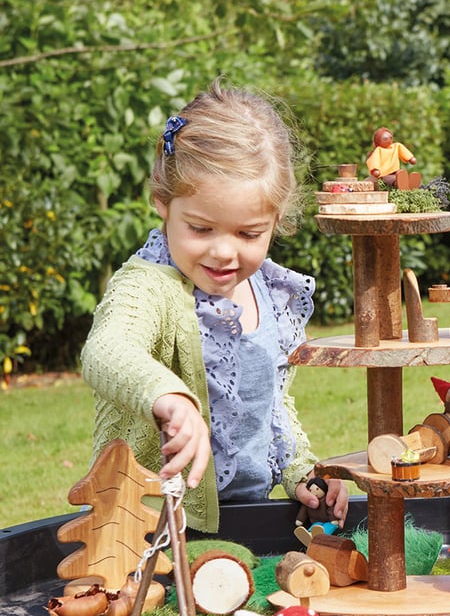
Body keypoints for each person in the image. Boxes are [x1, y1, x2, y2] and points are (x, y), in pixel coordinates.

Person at [81, 81, 348, 535]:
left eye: (248, 234)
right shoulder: (148, 285)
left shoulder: (266, 289)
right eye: (201, 229)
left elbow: (272, 405)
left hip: (250, 519)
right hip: (151, 528)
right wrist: (170, 399)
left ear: (277, 220)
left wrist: (302, 472)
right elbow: (106, 351)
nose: (224, 252)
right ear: (163, 203)